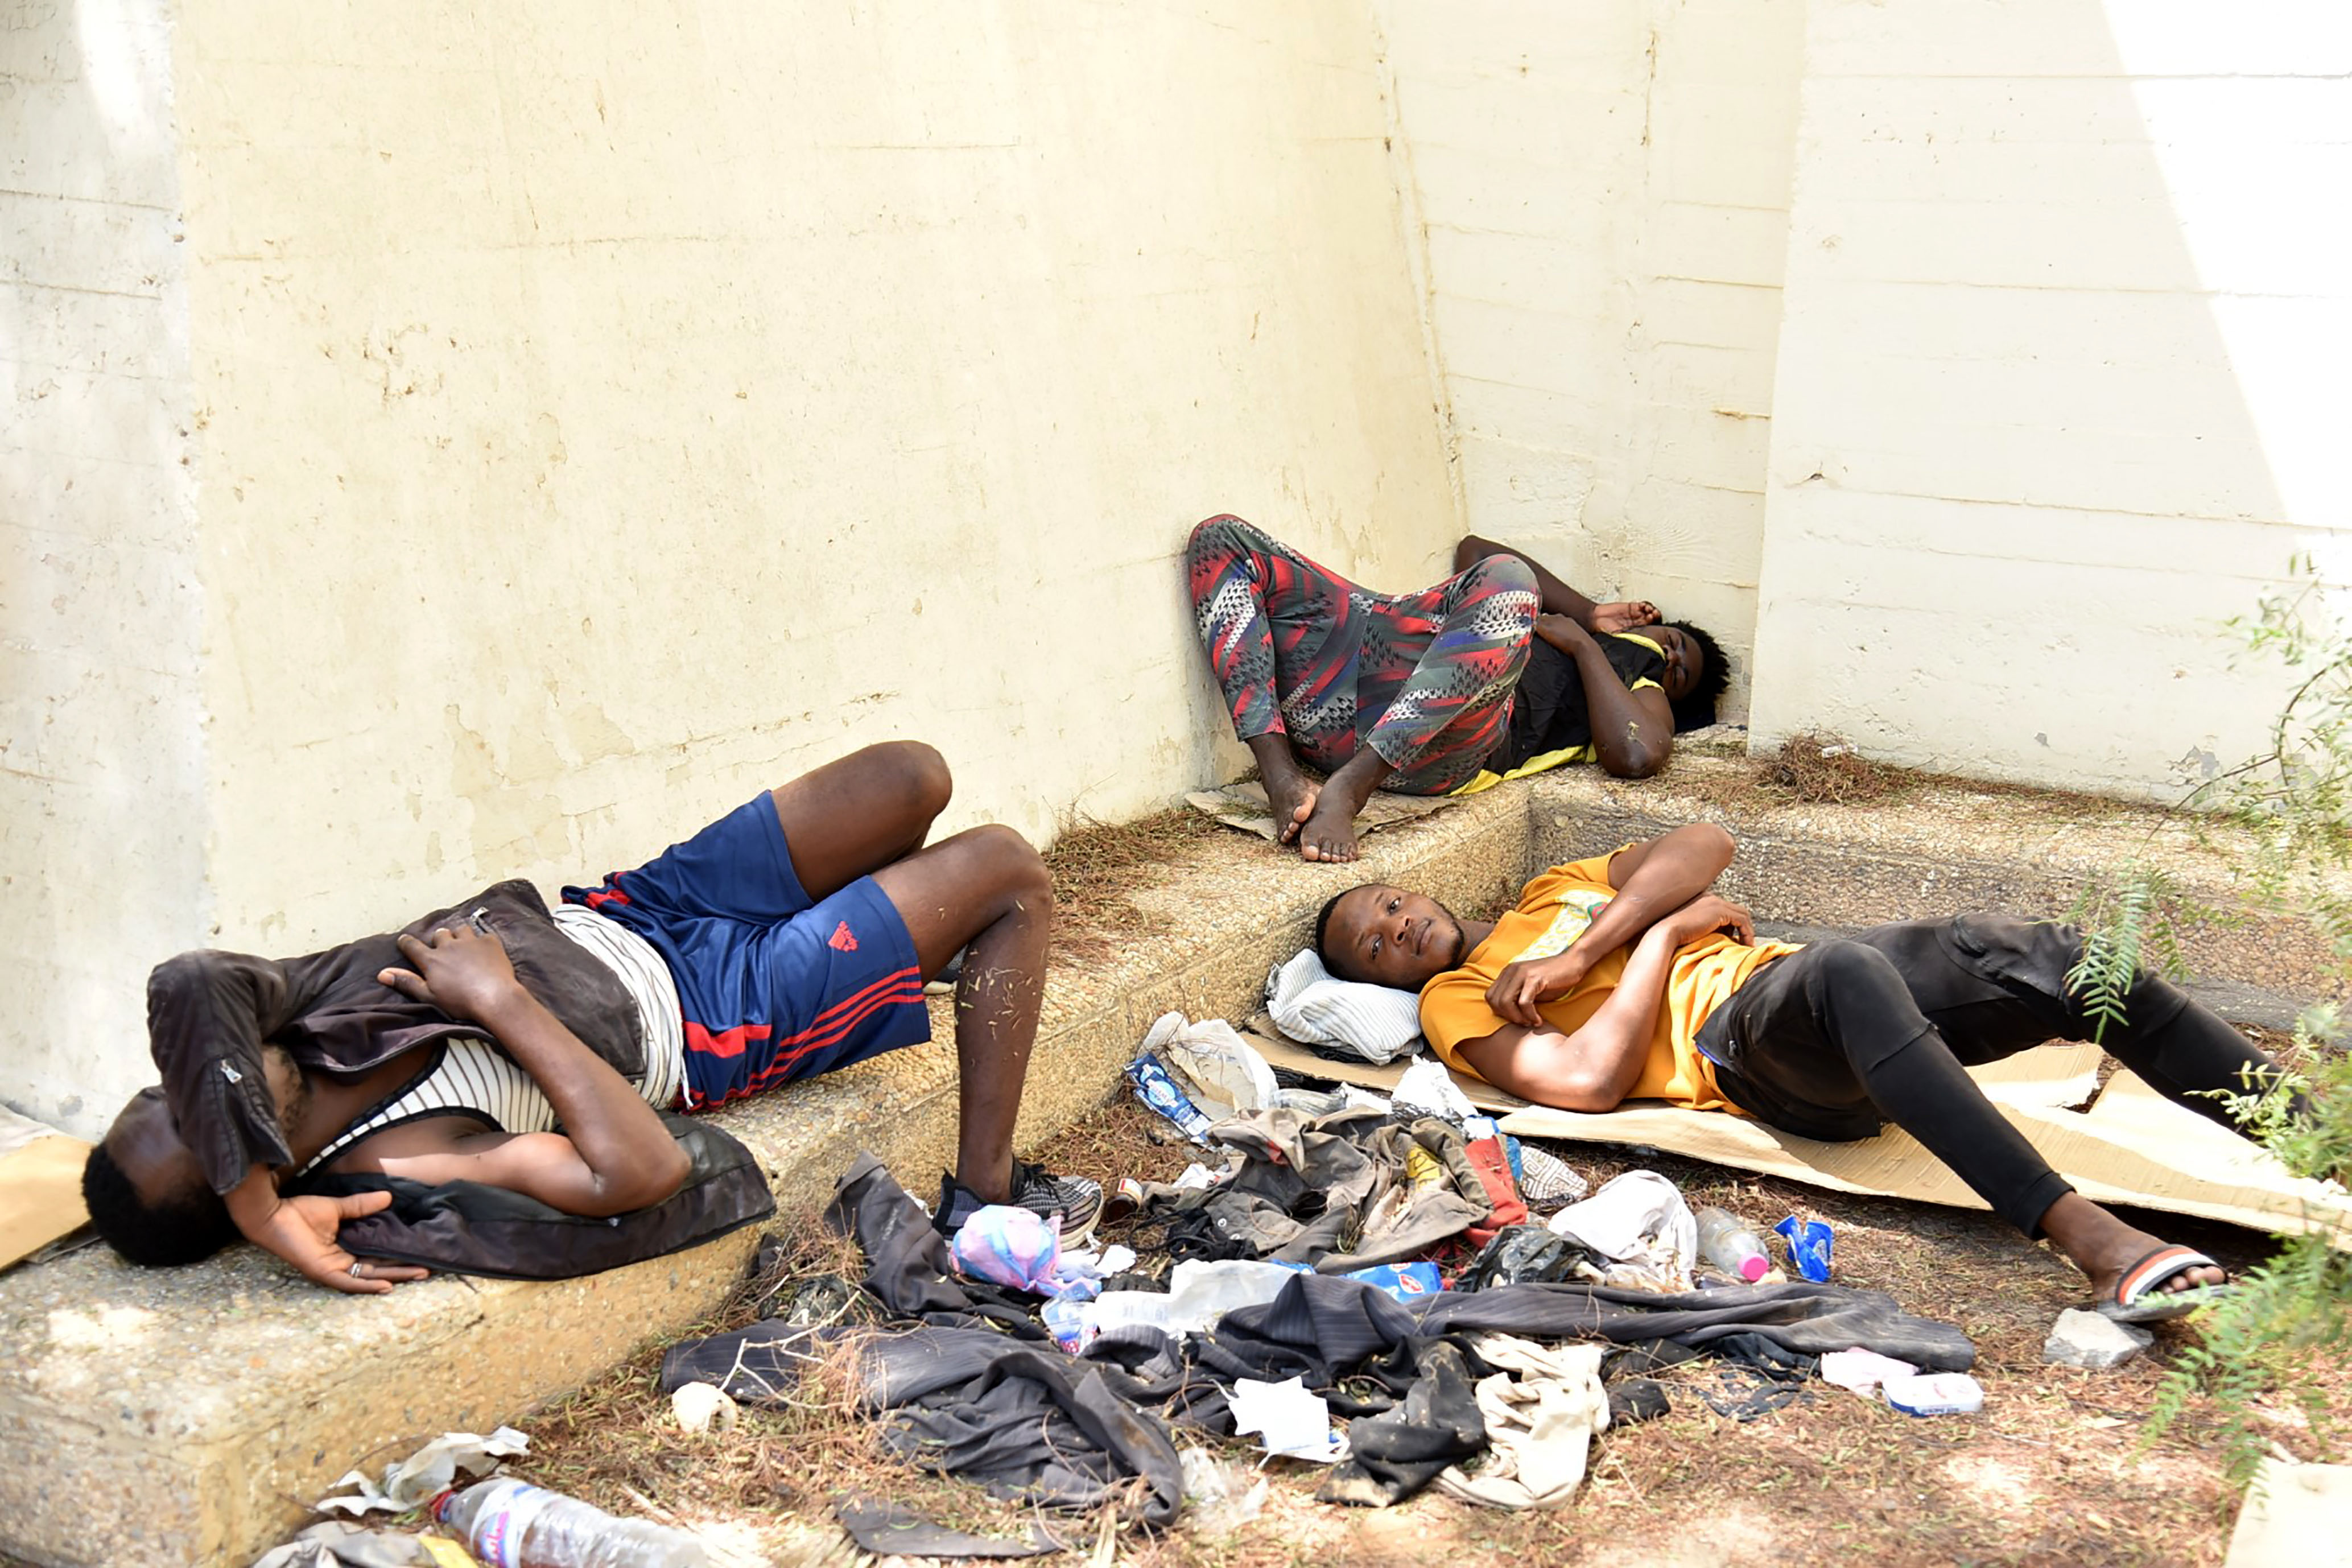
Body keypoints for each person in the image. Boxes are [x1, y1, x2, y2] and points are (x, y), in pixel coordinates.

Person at [81, 742, 1101, 1294]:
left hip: (640, 906)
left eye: (168, 1087)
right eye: (197, 1132)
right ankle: (983, 1194)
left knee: (910, 776)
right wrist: (500, 1004)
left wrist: (247, 1197)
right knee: (1007, 871)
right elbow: (639, 1171)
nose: (201, 1087)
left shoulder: (281, 1013)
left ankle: (891, 955)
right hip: (710, 1015)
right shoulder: (397, 1166)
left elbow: (186, 980)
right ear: (237, 1171)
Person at [1314, 824, 2313, 1322]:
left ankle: (2320, 1138)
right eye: (1373, 946)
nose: (1396, 927)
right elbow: (1584, 1082)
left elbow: (1705, 840)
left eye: (1390, 904)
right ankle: (2090, 1242)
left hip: (1805, 986)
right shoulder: (1463, 1001)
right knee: (1837, 967)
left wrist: (1587, 947)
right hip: (1751, 1055)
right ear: (1384, 976)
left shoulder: (1552, 895)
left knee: (2055, 954)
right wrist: (1660, 941)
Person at [1185, 517, 1727, 864]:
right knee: (1221, 539)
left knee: (1512, 583)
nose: (1671, 656)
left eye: (1680, 671)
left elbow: (1636, 753)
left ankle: (1351, 788)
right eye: (1674, 640)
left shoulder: (1637, 680)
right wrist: (1585, 612)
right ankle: (1281, 777)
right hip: (1346, 689)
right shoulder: (1576, 619)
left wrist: (1586, 647)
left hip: (1440, 745)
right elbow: (1474, 550)